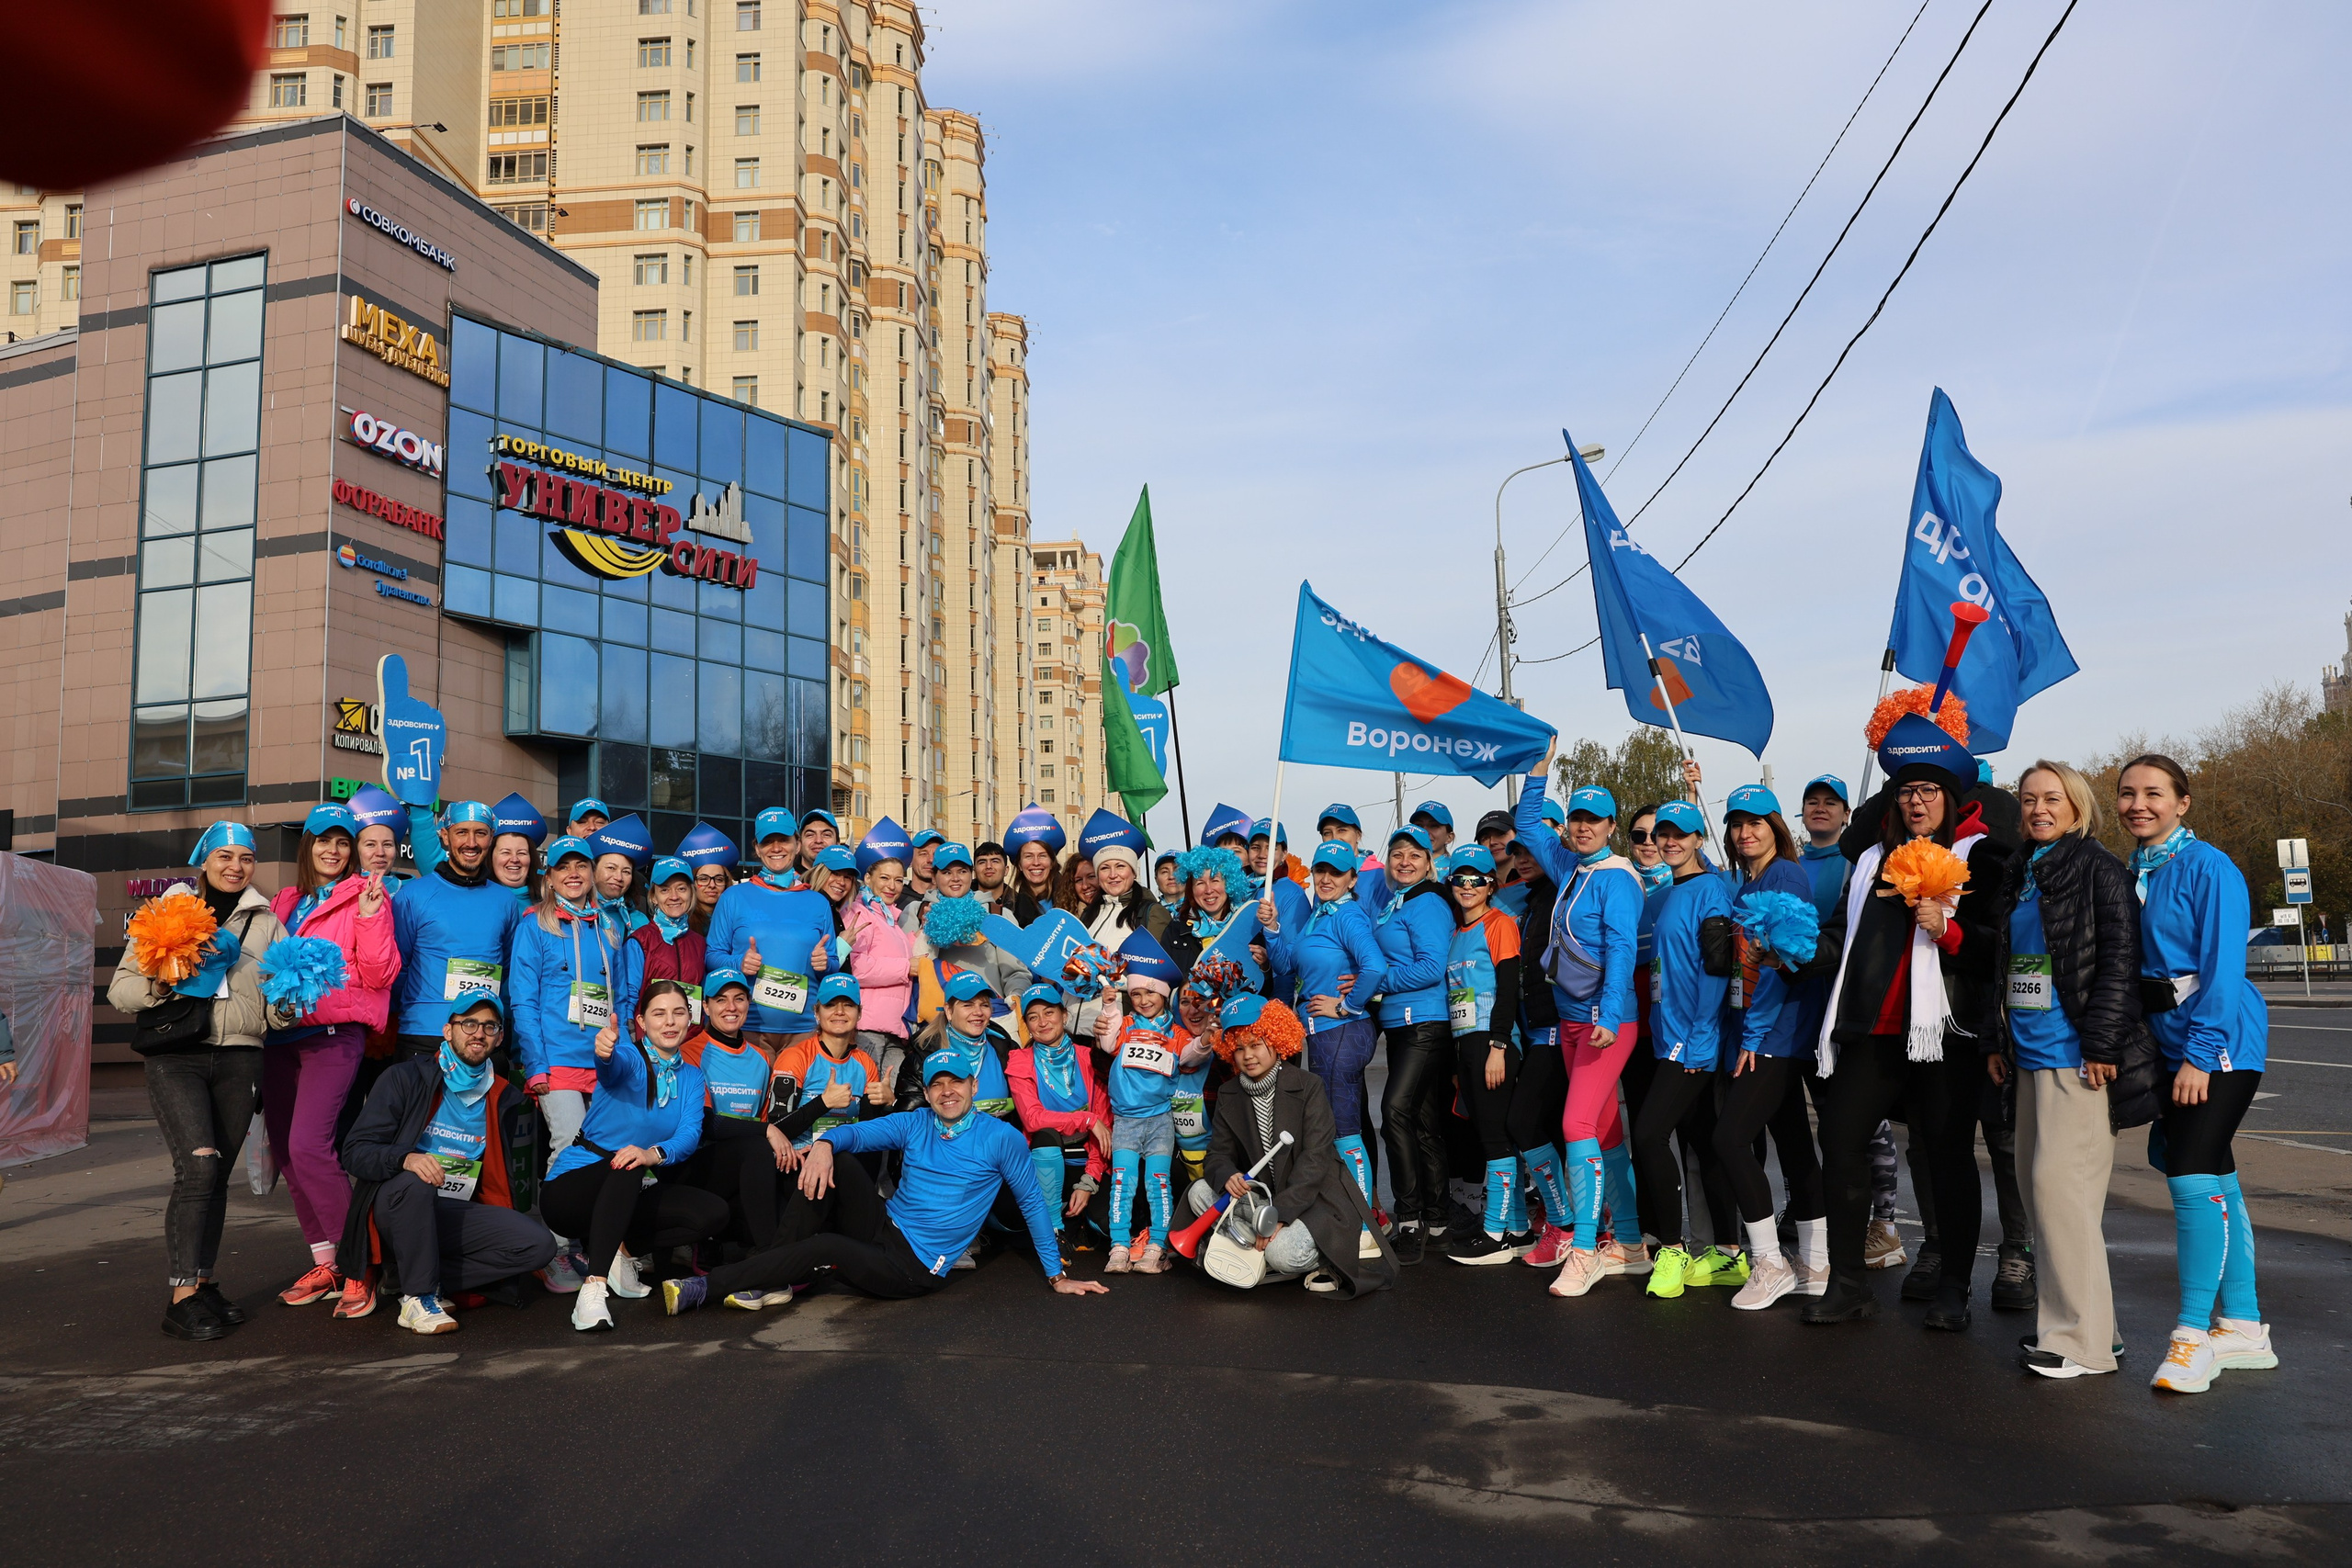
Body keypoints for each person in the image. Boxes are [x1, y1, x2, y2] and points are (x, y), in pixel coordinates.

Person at [1804, 713, 2013, 1329]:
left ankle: (1954, 1286)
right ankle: (1847, 1284)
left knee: (1946, 1156)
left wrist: (1948, 929)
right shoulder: (1871, 861)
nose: (1916, 801)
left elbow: (1994, 949)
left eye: (1929, 791)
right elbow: (1841, 941)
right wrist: (1794, 948)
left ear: (1953, 799)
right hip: (1873, 1032)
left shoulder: (1982, 858)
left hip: (1945, 1036)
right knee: (1839, 1140)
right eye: (1906, 790)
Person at [664, 1047, 1107, 1312]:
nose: (947, 1091)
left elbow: (1031, 1203)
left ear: (973, 1086)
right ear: (927, 1091)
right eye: (937, 1085)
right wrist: (824, 1145)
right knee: (840, 1161)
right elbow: (854, 1133)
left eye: (957, 1083)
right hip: (885, 1228)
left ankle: (704, 1288)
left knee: (825, 1247)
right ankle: (771, 1271)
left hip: (914, 1267)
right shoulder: (915, 1122)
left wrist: (1056, 1276)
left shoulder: (1002, 1138)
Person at [1994, 761, 2157, 1379]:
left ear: (2077, 805)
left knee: (2060, 1191)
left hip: (2077, 1059)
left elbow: (2120, 960)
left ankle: (2077, 1344)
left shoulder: (2098, 869)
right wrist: (1995, 1039)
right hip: (2029, 1058)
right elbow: (2007, 965)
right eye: (2029, 798)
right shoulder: (2022, 871)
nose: (2038, 808)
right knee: (2052, 1202)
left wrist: (2102, 1044)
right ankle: (2097, 1332)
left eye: (2051, 798)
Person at [2119, 754, 2276, 1393]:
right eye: (2127, 793)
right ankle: (2242, 1324)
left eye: (2154, 793)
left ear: (2182, 801)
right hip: (2168, 1039)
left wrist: (2199, 1055)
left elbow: (2222, 968)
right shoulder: (2135, 867)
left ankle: (2190, 1336)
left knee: (2189, 1170)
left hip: (2220, 1040)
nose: (2139, 804)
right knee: (2213, 1171)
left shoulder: (2210, 866)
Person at [110, 821, 289, 1340]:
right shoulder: (167, 910)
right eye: (225, 856)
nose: (235, 866)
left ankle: (204, 1282)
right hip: (178, 1056)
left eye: (246, 858)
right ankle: (181, 1296)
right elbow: (121, 992)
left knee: (217, 1178)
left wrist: (288, 1005)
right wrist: (167, 979)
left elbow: (276, 1010)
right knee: (198, 1171)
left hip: (241, 1058)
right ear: (204, 859)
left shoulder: (267, 922)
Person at [335, 990, 556, 1333]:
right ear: (448, 1030)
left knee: (538, 1246)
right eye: (468, 1023)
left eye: (489, 1026)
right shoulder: (403, 1078)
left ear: (499, 1038)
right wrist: (406, 1158)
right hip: (398, 1205)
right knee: (417, 1183)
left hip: (453, 1211)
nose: (478, 1033)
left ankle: (413, 1272)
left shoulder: (504, 1096)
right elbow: (355, 1152)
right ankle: (417, 1296)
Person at [1513, 770, 1646, 1298]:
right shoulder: (1568, 865)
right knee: (1606, 1133)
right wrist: (1538, 770)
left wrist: (1609, 1018)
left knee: (1576, 1124)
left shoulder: (1618, 877)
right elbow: (1527, 822)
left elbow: (1621, 952)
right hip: (1569, 1020)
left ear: (1612, 826)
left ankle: (1586, 1250)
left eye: (1594, 820)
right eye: (1576, 819)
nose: (1583, 827)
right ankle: (1633, 1245)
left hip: (1604, 1024)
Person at [264, 802, 401, 1314]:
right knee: (287, 1153)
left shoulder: (365, 895)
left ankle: (360, 1263)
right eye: (324, 840)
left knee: (310, 1147)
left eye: (344, 843)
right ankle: (328, 1259)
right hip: (278, 1040)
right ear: (308, 847)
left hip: (333, 1034)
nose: (334, 850)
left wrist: (368, 918)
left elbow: (381, 973)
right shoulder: (284, 902)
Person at [1178, 994, 1399, 1296]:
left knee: (1283, 1254)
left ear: (1276, 1039)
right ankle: (1255, 1241)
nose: (1248, 1056)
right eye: (1239, 1048)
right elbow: (1218, 1154)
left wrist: (1280, 1216)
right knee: (1200, 1191)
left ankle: (1313, 1256)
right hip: (1261, 1199)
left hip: (1313, 1199)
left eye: (1256, 1044)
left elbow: (1315, 1160)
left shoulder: (1308, 1086)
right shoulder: (1230, 1093)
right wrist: (1226, 1174)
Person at [539, 980, 728, 1330]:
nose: (669, 1022)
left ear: (690, 1019)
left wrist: (653, 1153)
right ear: (641, 1022)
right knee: (626, 1163)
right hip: (570, 1190)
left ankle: (620, 1252)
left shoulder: (692, 1076)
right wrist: (604, 1053)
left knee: (712, 1214)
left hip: (629, 1184)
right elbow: (612, 1068)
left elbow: (689, 1134)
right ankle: (592, 1290)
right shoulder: (630, 1056)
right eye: (659, 1014)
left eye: (678, 1013)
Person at [1713, 784, 1830, 1309]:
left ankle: (1769, 1262)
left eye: (1756, 821)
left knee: (1729, 1139)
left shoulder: (1784, 875)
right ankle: (1816, 1262)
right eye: (1737, 823)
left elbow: (1785, 964)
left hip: (1777, 1032)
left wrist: (1755, 1036)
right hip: (1764, 1030)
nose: (1745, 832)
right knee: (1793, 1142)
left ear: (1776, 825)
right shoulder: (1750, 881)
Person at [512, 836, 647, 1291]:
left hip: (607, 1061)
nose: (574, 874)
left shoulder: (610, 926)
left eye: (581, 866)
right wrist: (536, 1065)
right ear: (549, 876)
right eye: (563, 867)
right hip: (559, 1062)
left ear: (592, 873)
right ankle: (556, 1251)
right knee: (568, 1146)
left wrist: (626, 1052)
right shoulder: (534, 925)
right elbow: (524, 1001)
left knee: (610, 1154)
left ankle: (600, 1246)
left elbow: (625, 997)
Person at [1625, 801, 1745, 1299]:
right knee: (1704, 1141)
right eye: (1662, 834)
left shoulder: (1711, 890)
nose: (1668, 842)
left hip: (1690, 1044)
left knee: (1650, 1136)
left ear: (1700, 839)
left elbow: (1718, 972)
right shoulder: (1672, 890)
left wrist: (1696, 1040)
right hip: (1669, 1038)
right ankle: (1729, 1256)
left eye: (1681, 834)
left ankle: (1672, 1250)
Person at [1800, 775, 1905, 1269]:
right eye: (1812, 802)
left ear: (1847, 814)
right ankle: (1820, 1214)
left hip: (1851, 1011)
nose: (1820, 809)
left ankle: (1884, 1224)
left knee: (1868, 1122)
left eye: (1831, 803)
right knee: (1829, 1124)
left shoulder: (1858, 862)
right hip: (1802, 1011)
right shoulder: (1791, 864)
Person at [1260, 841, 1388, 1214]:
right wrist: (1271, 929)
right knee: (1330, 1129)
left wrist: (1347, 1005)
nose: (1326, 878)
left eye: (1336, 872)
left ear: (1352, 879)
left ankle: (1365, 1222)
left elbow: (1375, 968)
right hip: (1321, 1034)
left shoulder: (1348, 915)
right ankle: (1347, 1214)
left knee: (1345, 1129)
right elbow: (1286, 966)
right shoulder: (1319, 915)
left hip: (1342, 1033)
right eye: (1320, 870)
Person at [1440, 846, 1530, 1262]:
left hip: (1492, 1042)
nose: (1468, 886)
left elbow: (1509, 989)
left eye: (1477, 879)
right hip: (1466, 1044)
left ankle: (1495, 1237)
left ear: (1491, 884)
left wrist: (1498, 1046)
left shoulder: (1500, 923)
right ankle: (1516, 1228)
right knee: (1490, 1138)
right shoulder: (1458, 934)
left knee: (1495, 1139)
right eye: (1460, 878)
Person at [1373, 825, 1458, 1262]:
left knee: (1394, 1113)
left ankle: (1410, 1219)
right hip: (1402, 1026)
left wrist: (1376, 981)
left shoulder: (1427, 902)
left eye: (1414, 854)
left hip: (1425, 1023)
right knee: (1422, 1124)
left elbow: (1430, 968)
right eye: (1397, 854)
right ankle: (1437, 1223)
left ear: (1430, 861)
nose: (1404, 861)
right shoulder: (1396, 902)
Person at [389, 801, 528, 1065]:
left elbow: (508, 966)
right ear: (445, 835)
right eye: (462, 832)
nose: (471, 842)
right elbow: (398, 967)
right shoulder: (412, 895)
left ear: (491, 838)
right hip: (425, 1033)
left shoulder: (505, 900)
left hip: (484, 1036)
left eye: (481, 833)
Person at [1090, 930, 1190, 1272]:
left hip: (1160, 1120)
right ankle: (1119, 1246)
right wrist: (1108, 1002)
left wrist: (1206, 1038)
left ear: (1164, 994)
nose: (1144, 999)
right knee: (1122, 1183)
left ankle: (1157, 1246)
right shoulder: (1125, 1024)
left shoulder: (1176, 1033)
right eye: (1135, 993)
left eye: (1150, 992)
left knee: (1158, 1184)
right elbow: (1106, 1043)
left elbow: (1194, 1053)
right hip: (1127, 1121)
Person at [674, 968, 788, 1254]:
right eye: (721, 999)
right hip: (701, 1164)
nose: (731, 1007)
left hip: (749, 1167)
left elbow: (765, 1121)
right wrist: (765, 1130)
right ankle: (770, 1260)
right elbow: (707, 1124)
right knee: (755, 1148)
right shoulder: (690, 1052)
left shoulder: (761, 1058)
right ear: (705, 1006)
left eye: (739, 999)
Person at [705, 807, 836, 1053]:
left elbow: (833, 965)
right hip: (747, 1029)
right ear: (757, 848)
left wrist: (825, 964)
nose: (776, 848)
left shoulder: (818, 901)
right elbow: (712, 956)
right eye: (768, 842)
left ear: (797, 844)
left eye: (784, 840)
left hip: (804, 1032)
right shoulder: (734, 896)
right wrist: (738, 963)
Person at [1503, 838, 1577, 1269]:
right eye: (1518, 853)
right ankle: (1571, 1217)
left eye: (1532, 850)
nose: (1523, 859)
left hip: (1559, 1028)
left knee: (1523, 1121)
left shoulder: (1562, 895)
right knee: (1549, 1128)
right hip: (1535, 1032)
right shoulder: (1533, 900)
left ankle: (1564, 1224)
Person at [1008, 983, 1112, 1250]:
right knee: (1046, 1134)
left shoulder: (1090, 1057)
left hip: (1087, 1164)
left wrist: (1089, 1181)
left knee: (1106, 1224)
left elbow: (1105, 1125)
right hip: (1044, 1164)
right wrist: (1085, 1119)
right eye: (1033, 1017)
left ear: (1064, 1015)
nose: (1042, 1022)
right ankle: (1053, 1229)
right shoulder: (1019, 1060)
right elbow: (1033, 1119)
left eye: (1049, 1012)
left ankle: (1082, 1221)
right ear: (1027, 1026)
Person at [911, 842, 1033, 1037]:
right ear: (934, 877)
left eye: (962, 871)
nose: (955, 879)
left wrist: (1015, 997)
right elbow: (906, 968)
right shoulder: (915, 912)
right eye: (946, 872)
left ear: (971, 874)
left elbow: (1016, 971)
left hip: (991, 1019)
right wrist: (926, 929)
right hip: (937, 1021)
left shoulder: (997, 914)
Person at [1159, 845, 1251, 973]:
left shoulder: (1247, 925)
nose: (1209, 890)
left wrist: (1264, 967)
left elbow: (1263, 984)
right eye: (1200, 883)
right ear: (1191, 889)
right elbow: (1165, 979)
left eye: (1215, 880)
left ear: (1229, 883)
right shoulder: (1176, 930)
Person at [635, 856, 709, 988]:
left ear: (691, 894)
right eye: (665, 890)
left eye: (681, 889)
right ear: (653, 897)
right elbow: (629, 996)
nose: (674, 897)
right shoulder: (640, 940)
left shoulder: (700, 943)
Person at [588, 813, 654, 935]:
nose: (618, 877)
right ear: (593, 870)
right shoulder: (575, 914)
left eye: (626, 872)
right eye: (611, 868)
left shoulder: (640, 922)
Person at [1315, 803, 1388, 909]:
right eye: (1327, 833)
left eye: (1342, 831)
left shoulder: (1378, 875)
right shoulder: (1323, 878)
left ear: (1358, 835)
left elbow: (1381, 923)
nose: (1335, 838)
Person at [1003, 807, 1067, 922]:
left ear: (1052, 863)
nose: (1036, 863)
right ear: (1020, 865)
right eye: (1029, 856)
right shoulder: (1010, 906)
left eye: (1042, 856)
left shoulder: (1071, 899)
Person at [676, 821, 740, 935]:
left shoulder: (736, 918)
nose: (712, 885)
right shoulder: (680, 923)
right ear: (691, 883)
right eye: (703, 879)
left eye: (719, 879)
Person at [488, 792, 547, 907]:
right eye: (505, 852)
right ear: (491, 857)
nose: (514, 859)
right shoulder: (476, 898)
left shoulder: (549, 901)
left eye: (522, 853)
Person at [348, 784, 412, 883]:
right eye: (370, 844)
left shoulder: (413, 892)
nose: (380, 853)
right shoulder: (335, 892)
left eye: (387, 844)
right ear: (355, 849)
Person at [1408, 801, 1457, 876]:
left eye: (1434, 826)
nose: (1424, 831)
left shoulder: (1456, 871)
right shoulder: (1401, 868)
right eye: (1419, 825)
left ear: (1449, 837)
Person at [794, 808, 843, 882]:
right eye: (810, 835)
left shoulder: (848, 886)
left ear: (838, 844)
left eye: (826, 835)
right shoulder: (785, 884)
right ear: (799, 844)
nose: (818, 840)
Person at [908, 826, 945, 904]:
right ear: (910, 860)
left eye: (936, 855)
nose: (931, 860)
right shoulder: (896, 899)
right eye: (923, 854)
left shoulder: (951, 900)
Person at [973, 840, 1012, 911]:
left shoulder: (1021, 906)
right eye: (982, 862)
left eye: (995, 861)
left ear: (1006, 870)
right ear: (974, 871)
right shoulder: (960, 901)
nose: (988, 866)